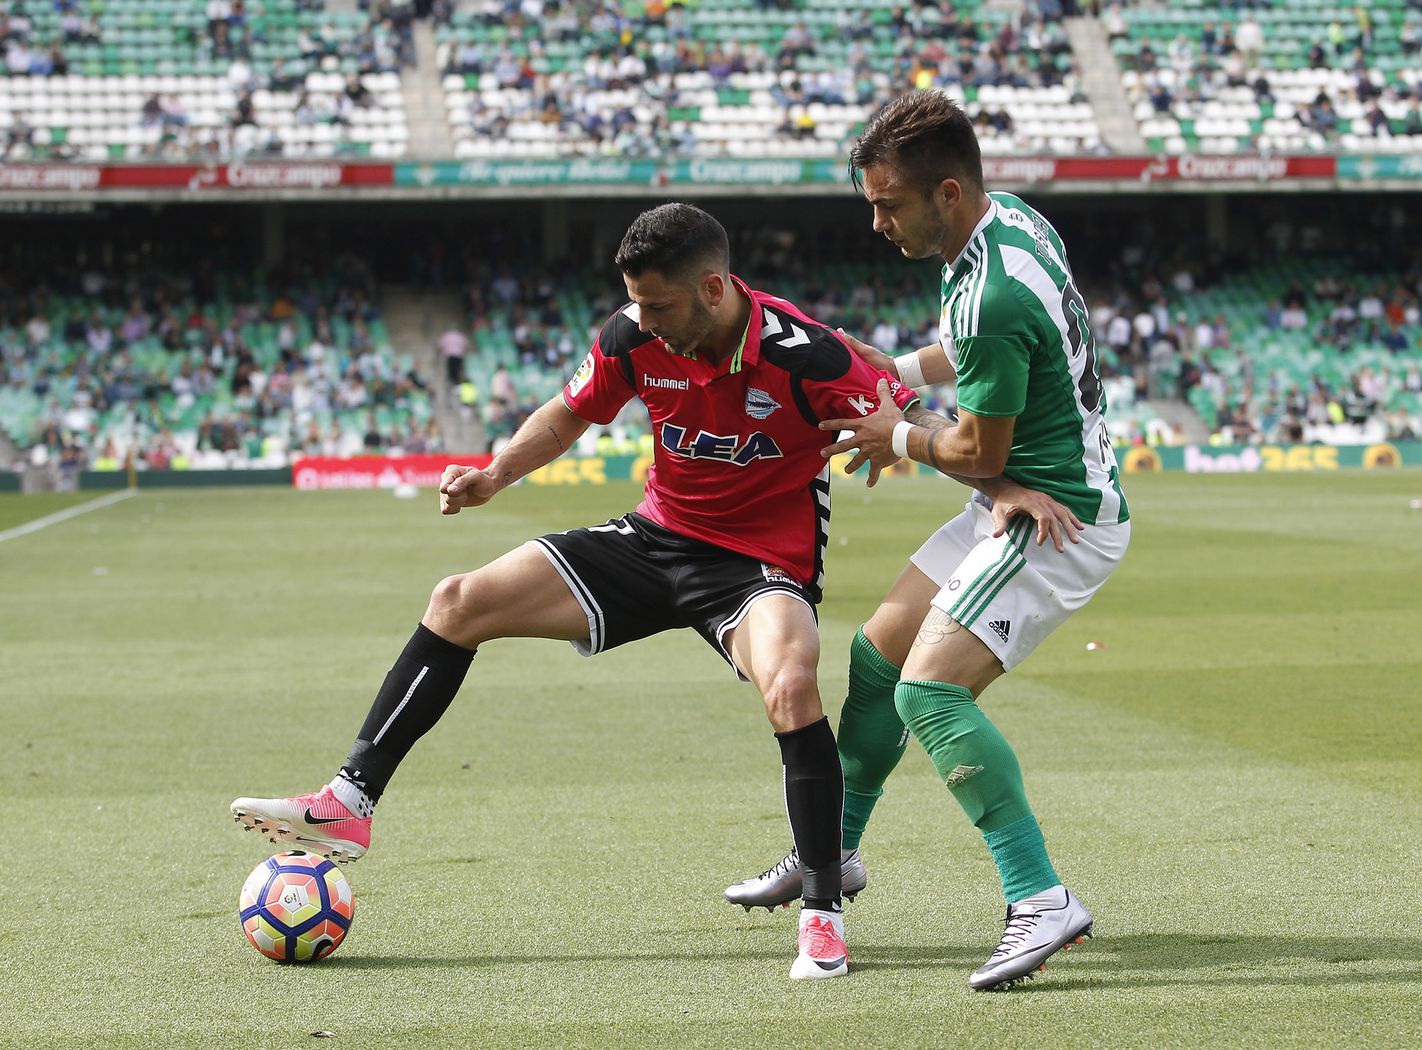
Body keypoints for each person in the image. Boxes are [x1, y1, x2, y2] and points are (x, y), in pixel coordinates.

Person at [231, 203, 934, 981]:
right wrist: (495, 474)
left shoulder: (805, 356)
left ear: (712, 288)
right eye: (637, 303)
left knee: (792, 683)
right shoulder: (633, 334)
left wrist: (974, 469)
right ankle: (350, 801)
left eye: (660, 305)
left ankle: (823, 917)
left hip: (758, 565)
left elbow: (916, 416)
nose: (646, 321)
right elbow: (569, 417)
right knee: (458, 600)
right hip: (654, 539)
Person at [723, 91, 1131, 992]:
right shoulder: (1010, 224)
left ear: (947, 191)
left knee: (929, 697)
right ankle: (832, 856)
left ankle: (1041, 897)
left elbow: (978, 449)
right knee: (876, 657)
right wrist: (891, 376)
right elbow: (974, 351)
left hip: (1052, 514)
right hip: (1024, 493)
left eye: (888, 203)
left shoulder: (988, 294)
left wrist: (893, 434)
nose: (876, 222)